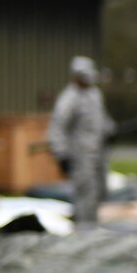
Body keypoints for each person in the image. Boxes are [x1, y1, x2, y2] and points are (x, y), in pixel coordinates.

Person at [48, 54, 114, 229]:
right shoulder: (69, 98)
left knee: (100, 192)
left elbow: (102, 118)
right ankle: (84, 231)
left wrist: (110, 130)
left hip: (98, 153)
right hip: (81, 155)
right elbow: (57, 128)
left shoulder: (94, 94)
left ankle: (94, 226)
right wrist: (61, 154)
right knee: (85, 193)